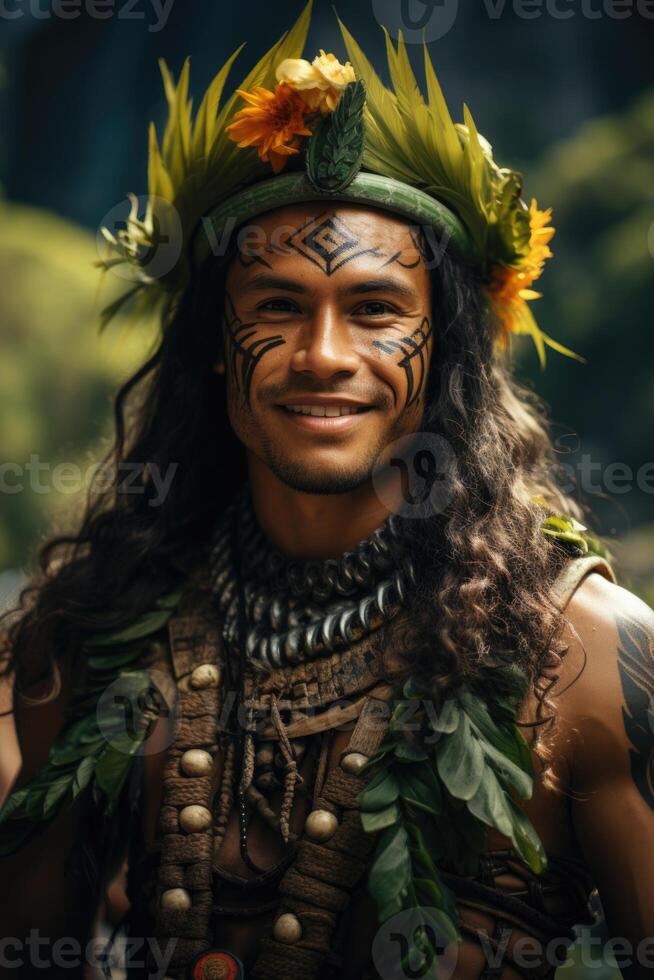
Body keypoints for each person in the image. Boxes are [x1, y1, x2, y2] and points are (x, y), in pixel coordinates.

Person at [1, 6, 653, 979]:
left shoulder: (596, 658)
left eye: (377, 309)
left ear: (447, 357)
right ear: (215, 352)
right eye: (277, 306)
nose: (322, 355)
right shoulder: (92, 637)